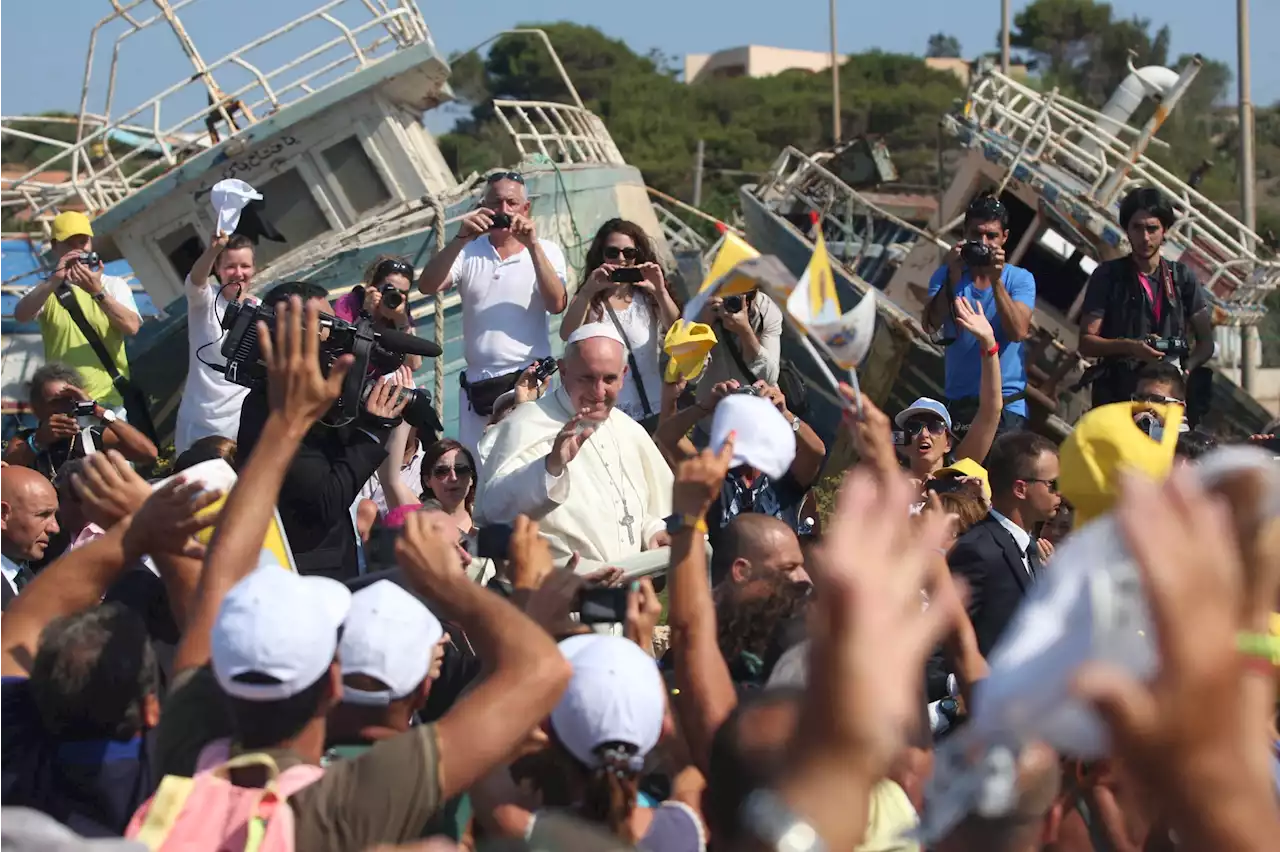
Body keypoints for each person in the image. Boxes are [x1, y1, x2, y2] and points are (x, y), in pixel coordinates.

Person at [155, 296, 574, 850]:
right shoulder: (337, 806)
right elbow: (542, 673)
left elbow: (216, 588)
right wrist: (450, 582)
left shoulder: (186, 757)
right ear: (334, 682)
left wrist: (285, 424)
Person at [0, 459, 218, 836]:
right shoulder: (181, 778)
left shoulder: (14, 755)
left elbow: (24, 622)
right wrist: (150, 524)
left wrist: (138, 529)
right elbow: (209, 638)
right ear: (153, 709)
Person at [235, 282, 402, 580]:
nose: (337, 333)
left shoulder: (304, 396)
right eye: (326, 325)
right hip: (310, 577)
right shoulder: (269, 407)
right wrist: (371, 433)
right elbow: (326, 501)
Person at [477, 323, 673, 570]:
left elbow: (632, 508)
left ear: (624, 375)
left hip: (629, 587)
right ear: (564, 370)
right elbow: (494, 509)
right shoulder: (525, 424)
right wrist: (550, 467)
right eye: (587, 378)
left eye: (610, 379)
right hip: (559, 594)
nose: (599, 392)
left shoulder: (629, 429)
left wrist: (652, 530)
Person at [417, 172, 568, 455]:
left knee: (529, 460)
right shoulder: (468, 251)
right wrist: (460, 239)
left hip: (529, 380)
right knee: (478, 469)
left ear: (526, 209)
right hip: (478, 387)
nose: (503, 211)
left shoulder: (547, 251)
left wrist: (533, 245)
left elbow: (557, 303)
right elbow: (427, 286)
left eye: (512, 203)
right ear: (483, 207)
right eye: (496, 203)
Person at [1077, 186, 1214, 408]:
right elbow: (1086, 343)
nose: (1145, 237)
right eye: (1137, 228)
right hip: (1116, 395)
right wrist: (1131, 347)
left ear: (1165, 230)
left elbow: (1206, 343)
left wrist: (1183, 369)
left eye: (1152, 228)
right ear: (1126, 229)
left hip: (1165, 399)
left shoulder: (1182, 278)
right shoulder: (1108, 275)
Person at [656, 379, 825, 549]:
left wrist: (785, 413)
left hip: (782, 570)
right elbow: (667, 438)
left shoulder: (780, 473)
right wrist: (704, 407)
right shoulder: (714, 476)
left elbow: (816, 451)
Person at [922, 194, 1036, 434]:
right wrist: (951, 278)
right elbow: (930, 325)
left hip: (1005, 405)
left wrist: (997, 283)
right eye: (976, 234)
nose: (983, 243)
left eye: (992, 236)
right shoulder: (947, 274)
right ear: (965, 233)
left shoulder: (1020, 279)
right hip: (959, 403)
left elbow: (1018, 332)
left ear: (1004, 238)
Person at [13, 212, 143, 417]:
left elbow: (132, 326)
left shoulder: (113, 285)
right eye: (69, 244)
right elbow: (21, 315)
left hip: (110, 401)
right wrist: (55, 280)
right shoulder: (46, 290)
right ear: (55, 247)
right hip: (65, 405)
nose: (78, 250)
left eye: (83, 242)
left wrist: (96, 292)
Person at [947, 431, 1061, 658]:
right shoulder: (978, 551)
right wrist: (963, 685)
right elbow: (939, 641)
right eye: (1052, 484)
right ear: (1020, 489)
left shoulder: (1033, 552)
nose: (1060, 492)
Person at [559, 219, 680, 427]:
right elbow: (567, 334)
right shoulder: (591, 300)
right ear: (601, 256)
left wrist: (660, 291)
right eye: (612, 253)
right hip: (612, 412)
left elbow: (676, 329)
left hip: (655, 407)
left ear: (638, 255)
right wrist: (588, 290)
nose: (621, 259)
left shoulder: (647, 296)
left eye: (629, 253)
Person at [173, 231, 254, 454]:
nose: (238, 273)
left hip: (242, 420)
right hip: (201, 422)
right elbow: (195, 280)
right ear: (217, 270)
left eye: (245, 266)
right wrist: (214, 249)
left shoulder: (261, 309)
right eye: (230, 266)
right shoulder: (205, 300)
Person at [3, 363, 158, 479]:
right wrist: (39, 441)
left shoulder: (91, 437)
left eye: (68, 400)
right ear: (37, 407)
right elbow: (6, 472)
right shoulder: (25, 440)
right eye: (54, 402)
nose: (63, 407)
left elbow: (147, 453)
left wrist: (97, 411)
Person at [693, 287, 783, 421]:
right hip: (711, 417)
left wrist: (745, 331)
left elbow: (770, 377)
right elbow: (690, 376)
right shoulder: (703, 306)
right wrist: (703, 327)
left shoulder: (767, 311)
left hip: (751, 418)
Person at [335, 255, 424, 374]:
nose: (395, 297)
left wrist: (403, 325)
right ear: (372, 286)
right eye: (389, 289)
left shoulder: (401, 311)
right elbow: (341, 352)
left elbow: (414, 364)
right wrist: (366, 315)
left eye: (403, 293)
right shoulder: (350, 303)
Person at [0, 466, 60, 609]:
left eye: (55, 515)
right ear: (2, 515)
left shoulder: (32, 583)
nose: (55, 528)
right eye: (43, 515)